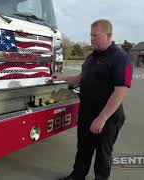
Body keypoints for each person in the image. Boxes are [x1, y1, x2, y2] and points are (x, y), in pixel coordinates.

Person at [52, 19, 132, 180]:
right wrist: (61, 77)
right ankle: (77, 176)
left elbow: (120, 92)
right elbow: (81, 78)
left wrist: (101, 119)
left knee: (103, 153)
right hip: (86, 112)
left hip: (107, 116)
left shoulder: (120, 58)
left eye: (95, 35)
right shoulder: (91, 57)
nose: (91, 39)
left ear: (108, 35)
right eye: (90, 35)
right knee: (83, 148)